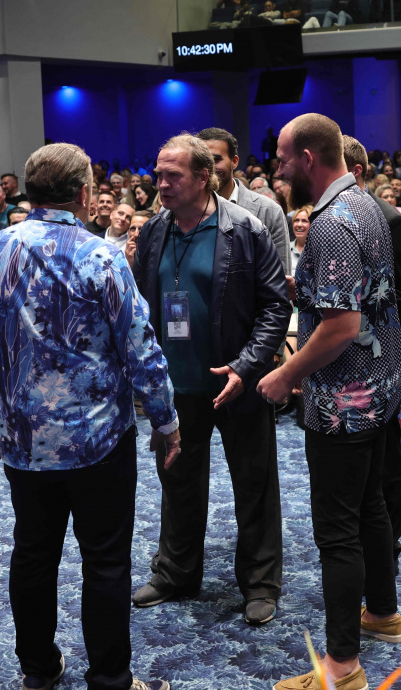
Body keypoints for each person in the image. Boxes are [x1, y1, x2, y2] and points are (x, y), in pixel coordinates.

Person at [0, 142, 178, 690]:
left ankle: (38, 669)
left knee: (33, 553)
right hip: (97, 439)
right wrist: (166, 420)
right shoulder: (101, 256)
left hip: (23, 437)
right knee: (105, 561)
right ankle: (110, 680)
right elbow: (141, 348)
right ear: (84, 194)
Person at [260, 114, 401, 690]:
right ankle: (383, 613)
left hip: (343, 401)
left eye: (282, 159)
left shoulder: (330, 222)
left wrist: (286, 375)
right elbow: (365, 298)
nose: (278, 169)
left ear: (308, 159)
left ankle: (342, 668)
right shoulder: (364, 203)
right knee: (371, 507)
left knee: (337, 532)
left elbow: (342, 326)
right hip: (379, 389)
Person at [129, 134, 289, 625]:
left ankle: (260, 584)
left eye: (172, 176)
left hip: (235, 380)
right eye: (158, 175)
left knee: (254, 483)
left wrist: (246, 365)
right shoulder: (154, 230)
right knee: (177, 480)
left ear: (204, 178)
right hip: (175, 385)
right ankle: (176, 572)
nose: (161, 184)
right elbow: (143, 306)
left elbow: (276, 306)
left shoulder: (245, 228)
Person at [343, 135, 401, 573]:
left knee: (387, 453)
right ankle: (365, 539)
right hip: (354, 352)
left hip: (387, 350)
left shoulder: (388, 218)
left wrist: (349, 308)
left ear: (355, 171)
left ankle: (388, 542)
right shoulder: (338, 216)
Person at [197, 127, 292, 275]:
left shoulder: (269, 210)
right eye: (202, 161)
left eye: (216, 160)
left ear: (234, 162)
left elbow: (281, 278)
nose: (208, 168)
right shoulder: (182, 210)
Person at [289, 205, 312, 272]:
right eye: (296, 220)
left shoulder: (318, 251)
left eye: (304, 221)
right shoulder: (286, 250)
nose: (299, 225)